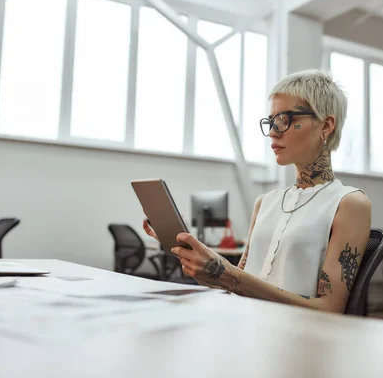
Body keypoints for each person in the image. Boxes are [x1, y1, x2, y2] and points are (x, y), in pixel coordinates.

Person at [143, 69, 371, 313]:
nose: (273, 132)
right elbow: (234, 285)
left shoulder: (348, 203)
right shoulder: (266, 203)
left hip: (297, 340)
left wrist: (225, 273)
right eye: (271, 122)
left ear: (326, 125)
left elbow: (329, 310)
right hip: (246, 327)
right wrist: (194, 256)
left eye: (284, 119)